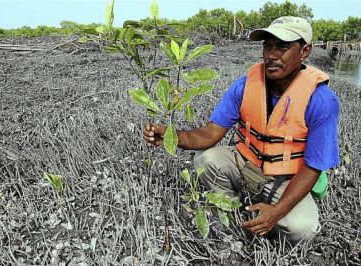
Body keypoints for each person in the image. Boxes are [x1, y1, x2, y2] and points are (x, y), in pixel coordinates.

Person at [143, 16, 339, 241]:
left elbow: (313, 167)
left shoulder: (321, 100)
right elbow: (211, 133)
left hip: (288, 178)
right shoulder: (245, 85)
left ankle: (271, 215)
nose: (271, 55)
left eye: (283, 47)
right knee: (205, 159)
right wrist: (171, 136)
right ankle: (232, 210)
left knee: (302, 228)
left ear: (305, 52)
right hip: (247, 165)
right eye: (267, 46)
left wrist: (278, 210)